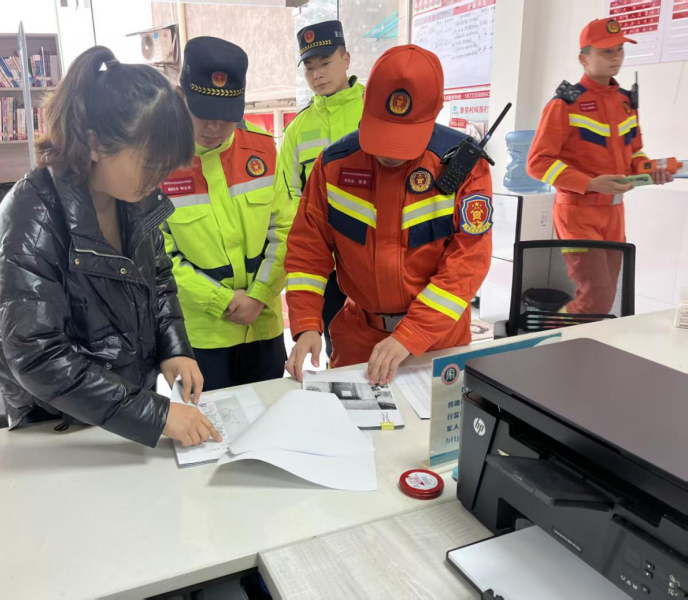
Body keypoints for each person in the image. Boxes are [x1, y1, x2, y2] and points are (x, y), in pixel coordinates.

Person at [0, 47, 221, 449]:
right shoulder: (31, 213)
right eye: (151, 165)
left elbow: (158, 279)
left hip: (125, 406)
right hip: (56, 420)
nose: (159, 180)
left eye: (166, 168)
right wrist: (154, 413)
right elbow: (37, 356)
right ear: (95, 144)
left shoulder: (135, 197)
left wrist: (174, 348)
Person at [284, 45, 492, 386]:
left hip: (438, 339)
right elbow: (308, 249)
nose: (390, 154)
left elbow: (468, 263)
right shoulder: (334, 165)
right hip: (358, 337)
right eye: (382, 135)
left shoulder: (464, 167)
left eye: (403, 141)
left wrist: (411, 334)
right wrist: (307, 321)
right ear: (366, 105)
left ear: (434, 113)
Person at [160, 37, 295, 391]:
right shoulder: (158, 162)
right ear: (181, 96)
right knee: (208, 422)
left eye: (226, 118)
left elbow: (286, 230)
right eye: (204, 115)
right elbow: (159, 256)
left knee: (272, 415)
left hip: (264, 327)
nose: (214, 129)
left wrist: (260, 294)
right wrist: (221, 301)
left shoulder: (263, 149)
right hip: (202, 337)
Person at [527, 17, 673, 315]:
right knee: (596, 299)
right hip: (578, 214)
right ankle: (551, 336)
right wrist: (590, 183)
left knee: (604, 299)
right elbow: (537, 163)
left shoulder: (625, 102)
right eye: (606, 51)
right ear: (583, 59)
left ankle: (573, 338)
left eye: (619, 49)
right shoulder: (564, 104)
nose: (616, 57)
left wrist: (650, 170)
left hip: (614, 215)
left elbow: (634, 153)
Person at [274, 20, 365, 363]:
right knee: (335, 348)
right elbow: (291, 200)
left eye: (326, 63)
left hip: (373, 258)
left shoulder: (375, 108)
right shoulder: (297, 130)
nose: (318, 75)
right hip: (326, 267)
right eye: (310, 68)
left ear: (346, 58)